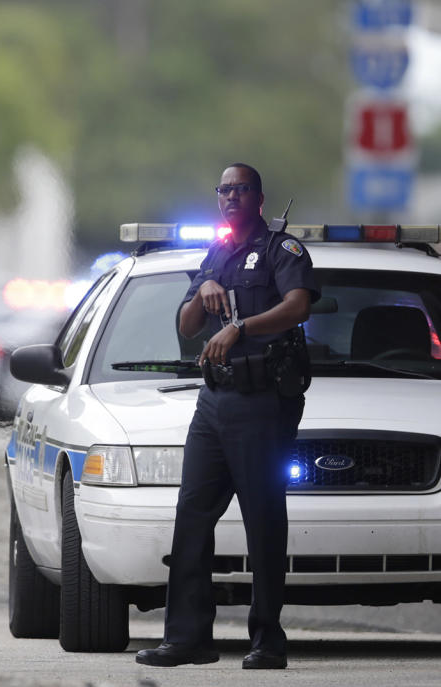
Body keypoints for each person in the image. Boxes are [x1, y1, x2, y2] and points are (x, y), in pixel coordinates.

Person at [135, 163, 318, 670]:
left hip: (261, 401)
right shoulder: (215, 253)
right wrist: (205, 289)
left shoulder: (283, 250)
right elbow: (187, 325)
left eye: (240, 189)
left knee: (262, 519)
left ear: (259, 197)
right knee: (192, 516)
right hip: (214, 402)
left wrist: (238, 326)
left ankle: (267, 639)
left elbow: (298, 306)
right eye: (224, 190)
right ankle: (188, 637)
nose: (231, 197)